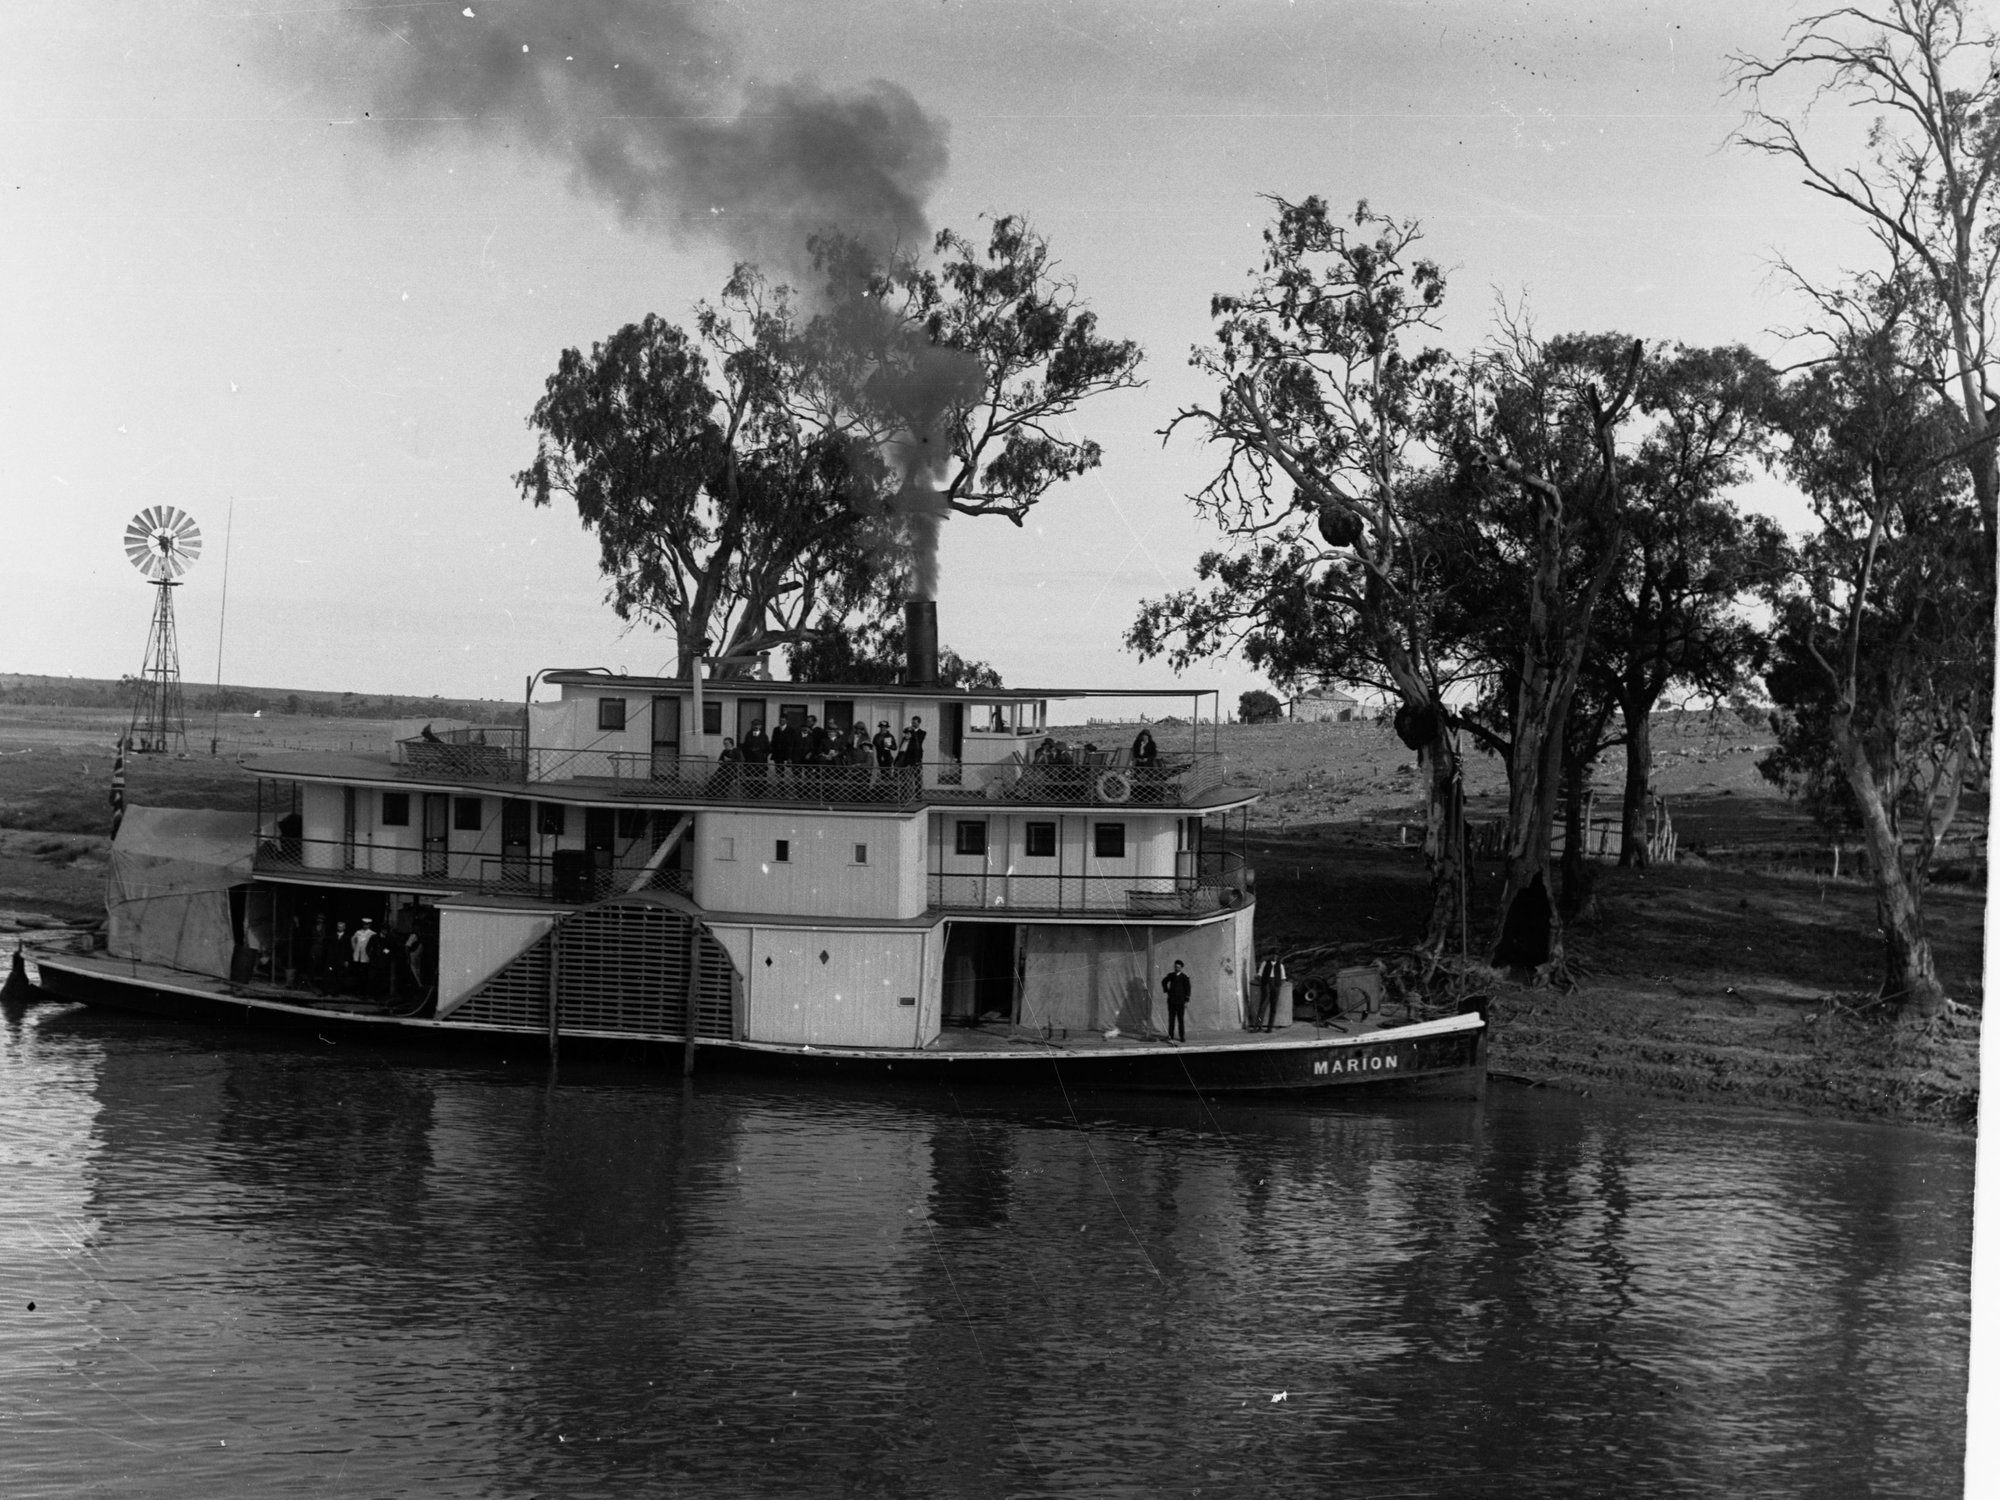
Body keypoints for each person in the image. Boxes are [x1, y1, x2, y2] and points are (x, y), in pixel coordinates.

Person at [1161, 959, 1192, 1043]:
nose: (1176, 968)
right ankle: (1170, 1036)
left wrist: (1186, 1001)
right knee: (1171, 1020)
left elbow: (1188, 989)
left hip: (1181, 1002)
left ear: (1181, 968)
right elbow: (1164, 981)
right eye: (1175, 967)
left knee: (1180, 1020)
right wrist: (1167, 990)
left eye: (1178, 967)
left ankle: (1182, 1037)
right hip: (1171, 1002)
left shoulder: (1184, 978)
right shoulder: (1171, 975)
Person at [1254, 953, 1286, 1032]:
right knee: (1263, 1006)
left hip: (1276, 985)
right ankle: (1258, 1026)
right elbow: (1259, 975)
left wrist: (1278, 985)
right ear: (1270, 955)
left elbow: (1283, 978)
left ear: (1278, 956)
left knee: (1273, 1006)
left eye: (1276, 955)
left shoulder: (1280, 965)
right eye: (1273, 955)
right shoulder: (1265, 963)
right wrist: (1264, 984)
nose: (1274, 957)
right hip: (1267, 984)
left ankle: (1270, 1027)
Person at [740, 718, 770, 793]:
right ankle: (750, 791)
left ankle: (760, 792)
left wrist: (764, 755)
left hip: (760, 760)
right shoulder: (748, 735)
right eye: (754, 725)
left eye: (758, 725)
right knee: (750, 776)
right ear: (752, 726)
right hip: (750, 759)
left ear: (761, 726)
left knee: (760, 776)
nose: (756, 726)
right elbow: (745, 747)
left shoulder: (764, 736)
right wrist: (747, 754)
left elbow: (768, 748)